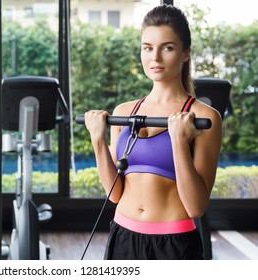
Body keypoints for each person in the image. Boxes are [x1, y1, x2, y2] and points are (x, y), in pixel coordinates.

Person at [84, 4, 222, 260]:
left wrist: (180, 142)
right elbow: (114, 193)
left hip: (174, 243)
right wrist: (98, 140)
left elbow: (196, 207)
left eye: (167, 48)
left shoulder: (204, 117)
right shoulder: (123, 111)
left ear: (185, 54)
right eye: (147, 48)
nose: (155, 58)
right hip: (123, 235)